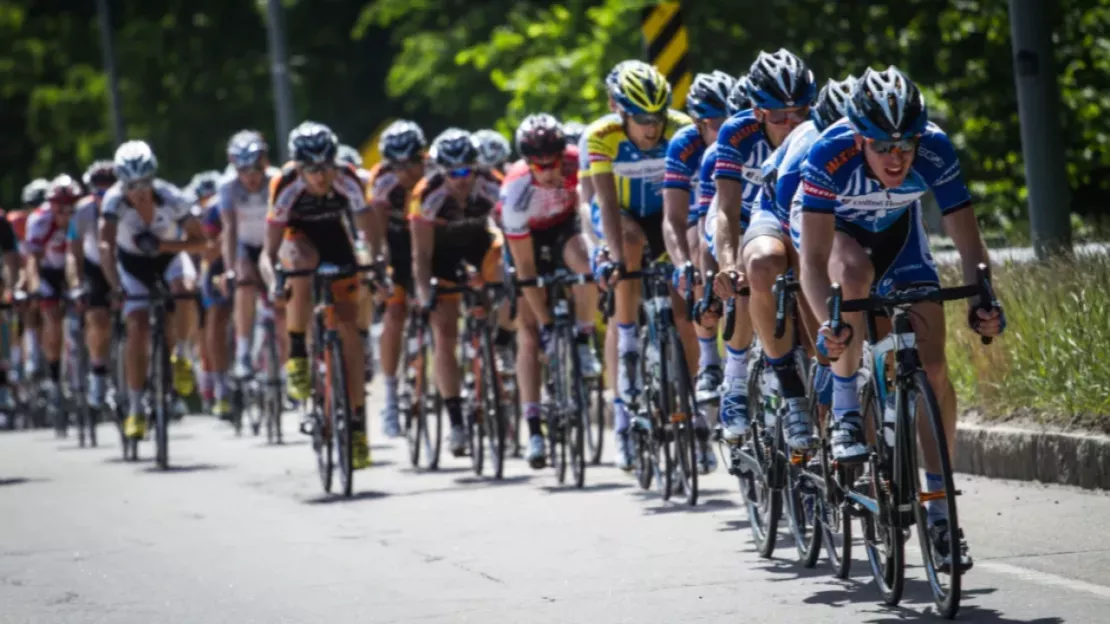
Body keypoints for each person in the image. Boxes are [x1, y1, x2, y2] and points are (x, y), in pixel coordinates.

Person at [798, 66, 1005, 571]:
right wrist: (829, 319)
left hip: (902, 238)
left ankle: (940, 514)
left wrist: (984, 296)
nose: (897, 157)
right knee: (852, 274)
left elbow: (967, 238)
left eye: (906, 145)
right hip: (842, 237)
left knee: (932, 370)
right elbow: (811, 256)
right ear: (860, 139)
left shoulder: (935, 147)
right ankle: (847, 409)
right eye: (884, 146)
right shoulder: (829, 153)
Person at [584, 62, 694, 470]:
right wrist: (610, 255)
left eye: (659, 118)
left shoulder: (682, 128)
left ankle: (695, 411)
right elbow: (606, 205)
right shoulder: (601, 137)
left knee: (682, 310)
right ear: (619, 110)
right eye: (643, 119)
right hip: (623, 215)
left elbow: (691, 203)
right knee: (627, 247)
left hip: (666, 215)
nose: (653, 128)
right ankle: (627, 340)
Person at [261, 121, 383, 469]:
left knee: (349, 334)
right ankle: (298, 352)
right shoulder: (284, 184)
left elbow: (367, 230)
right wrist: (273, 279)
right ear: (298, 167)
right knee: (299, 265)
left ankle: (358, 428)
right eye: (311, 170)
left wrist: (373, 265)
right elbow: (268, 252)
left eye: (325, 167)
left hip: (335, 237)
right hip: (297, 238)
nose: (320, 177)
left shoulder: (348, 179)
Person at [712, 48, 815, 444]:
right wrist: (726, 263)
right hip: (748, 215)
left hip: (801, 215)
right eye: (778, 117)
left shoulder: (819, 130)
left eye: (799, 114)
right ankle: (736, 380)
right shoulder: (735, 133)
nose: (791, 124)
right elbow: (726, 209)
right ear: (757, 112)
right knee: (743, 277)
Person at [500, 114, 600, 468]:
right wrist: (545, 326)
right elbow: (524, 269)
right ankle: (535, 430)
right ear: (527, 163)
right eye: (538, 165)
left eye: (553, 162)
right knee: (528, 333)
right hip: (527, 240)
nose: (548, 171)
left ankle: (585, 338)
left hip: (563, 229)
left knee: (585, 265)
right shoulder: (515, 189)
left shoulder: (577, 160)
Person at [409, 128, 508, 457]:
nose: (460, 179)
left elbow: (512, 233)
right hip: (442, 255)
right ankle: (455, 422)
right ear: (440, 172)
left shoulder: (492, 184)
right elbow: (420, 257)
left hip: (480, 244)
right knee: (445, 333)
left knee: (507, 280)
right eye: (452, 173)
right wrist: (425, 295)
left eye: (466, 170)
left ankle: (500, 342)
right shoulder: (426, 195)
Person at [99, 140, 207, 440]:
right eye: (132, 184)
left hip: (169, 256)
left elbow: (200, 242)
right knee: (137, 325)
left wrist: (163, 246)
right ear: (122, 183)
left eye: (145, 182)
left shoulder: (172, 197)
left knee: (185, 289)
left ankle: (184, 356)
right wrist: (114, 286)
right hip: (132, 265)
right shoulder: (113, 202)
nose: (140, 190)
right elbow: (105, 245)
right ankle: (135, 409)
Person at [663, 70, 735, 410]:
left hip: (738, 213)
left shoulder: (743, 137)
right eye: (716, 122)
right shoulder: (685, 144)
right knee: (698, 248)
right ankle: (709, 361)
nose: (724, 130)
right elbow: (673, 218)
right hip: (697, 215)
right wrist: (681, 265)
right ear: (697, 122)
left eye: (730, 119)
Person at [367, 120, 426, 438]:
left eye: (412, 163)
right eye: (398, 165)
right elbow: (375, 234)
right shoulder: (381, 180)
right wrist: (380, 270)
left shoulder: (434, 172)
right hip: (396, 245)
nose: (406, 172)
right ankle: (389, 397)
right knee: (394, 312)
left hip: (429, 244)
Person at [24, 174, 83, 406]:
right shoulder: (39, 221)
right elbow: (32, 261)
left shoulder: (83, 216)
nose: (66, 216)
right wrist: (35, 287)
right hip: (48, 271)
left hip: (76, 268)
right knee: (52, 318)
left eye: (71, 209)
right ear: (52, 206)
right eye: (61, 210)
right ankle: (54, 371)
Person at [68, 160, 118, 410]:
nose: (104, 195)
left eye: (110, 189)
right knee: (97, 317)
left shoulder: (127, 204)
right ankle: (98, 371)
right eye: (98, 190)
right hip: (94, 266)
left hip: (123, 263)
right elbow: (73, 252)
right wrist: (77, 284)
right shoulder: (82, 211)